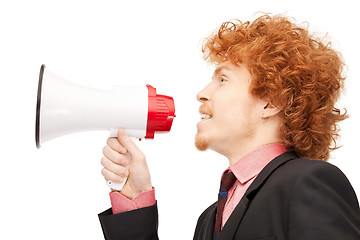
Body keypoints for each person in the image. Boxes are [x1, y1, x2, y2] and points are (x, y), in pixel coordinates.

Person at [98, 14, 360, 239]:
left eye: (223, 79)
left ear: (270, 102)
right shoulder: (209, 219)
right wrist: (136, 199)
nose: (201, 93)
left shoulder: (308, 182)